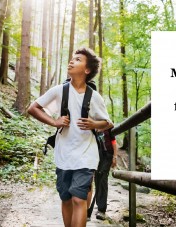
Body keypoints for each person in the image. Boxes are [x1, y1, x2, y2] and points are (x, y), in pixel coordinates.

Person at [27, 47, 112, 227]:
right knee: (66, 198)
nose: (72, 61)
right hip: (63, 154)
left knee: (79, 199)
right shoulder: (59, 90)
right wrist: (54, 122)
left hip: (87, 155)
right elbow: (32, 108)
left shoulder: (94, 97)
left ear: (87, 70)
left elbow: (108, 123)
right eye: (72, 58)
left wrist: (94, 124)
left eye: (78, 59)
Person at [86, 128, 118, 221]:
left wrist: (115, 156)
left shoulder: (108, 124)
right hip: (95, 155)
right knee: (96, 180)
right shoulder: (91, 123)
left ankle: (101, 210)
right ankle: (92, 209)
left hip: (107, 154)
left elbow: (113, 141)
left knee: (102, 180)